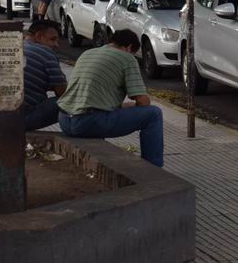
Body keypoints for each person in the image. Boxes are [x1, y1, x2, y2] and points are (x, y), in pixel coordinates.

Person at [57, 29, 164, 167]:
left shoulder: (88, 53)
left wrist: (123, 106)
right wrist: (136, 105)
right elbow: (143, 101)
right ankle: (153, 167)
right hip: (88, 122)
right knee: (153, 114)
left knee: (102, 114)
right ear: (129, 47)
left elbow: (91, 96)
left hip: (65, 120)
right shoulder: (127, 58)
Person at [23, 21, 67, 130]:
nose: (56, 45)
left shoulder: (16, 47)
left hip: (3, 118)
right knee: (72, 100)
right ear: (38, 36)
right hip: (26, 117)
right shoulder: (46, 52)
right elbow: (62, 92)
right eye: (53, 39)